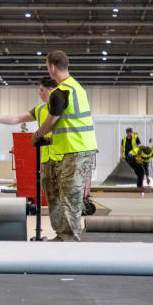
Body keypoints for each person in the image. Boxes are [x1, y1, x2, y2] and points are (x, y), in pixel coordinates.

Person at [31, 50, 97, 241]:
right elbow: (68, 124)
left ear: (52, 67)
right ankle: (64, 236)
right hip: (74, 148)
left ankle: (69, 240)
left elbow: (52, 121)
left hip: (76, 150)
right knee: (63, 194)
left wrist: (37, 135)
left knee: (69, 196)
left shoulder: (61, 92)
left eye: (47, 67)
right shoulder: (77, 87)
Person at [0, 76, 58, 209]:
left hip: (64, 159)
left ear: (51, 90)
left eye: (42, 90)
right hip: (48, 160)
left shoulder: (64, 108)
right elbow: (17, 118)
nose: (39, 93)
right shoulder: (40, 110)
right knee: (52, 199)